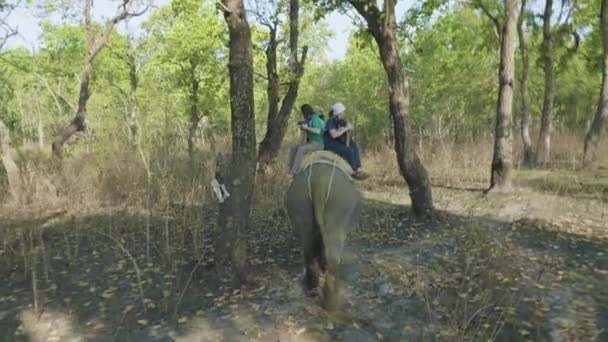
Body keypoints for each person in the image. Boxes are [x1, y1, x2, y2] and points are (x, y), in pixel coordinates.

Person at [324, 102, 369, 180]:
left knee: (354, 147)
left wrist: (347, 127)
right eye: (342, 112)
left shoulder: (341, 120)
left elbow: (350, 127)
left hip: (339, 142)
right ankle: (354, 171)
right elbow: (333, 135)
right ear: (338, 112)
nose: (343, 113)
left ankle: (359, 168)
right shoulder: (330, 121)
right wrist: (345, 129)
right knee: (349, 151)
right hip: (331, 144)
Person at [288, 104, 325, 175]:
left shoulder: (315, 119)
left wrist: (306, 128)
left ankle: (294, 171)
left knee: (301, 149)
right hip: (311, 142)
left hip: (318, 143)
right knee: (293, 148)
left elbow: (318, 131)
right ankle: (290, 168)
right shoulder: (309, 120)